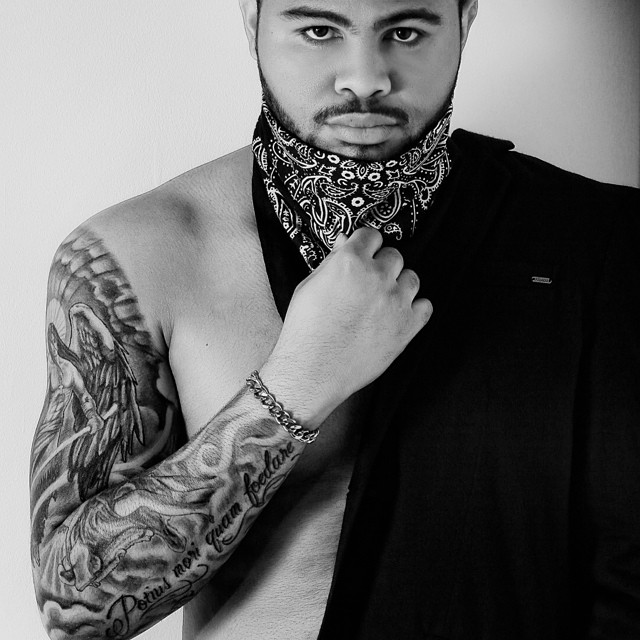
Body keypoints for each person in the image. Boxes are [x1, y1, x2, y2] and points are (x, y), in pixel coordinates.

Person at [29, 0, 640, 638]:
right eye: (319, 30)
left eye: (405, 31)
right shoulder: (139, 255)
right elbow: (76, 612)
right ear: (252, 22)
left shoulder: (595, 242)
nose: (365, 77)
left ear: (464, 21)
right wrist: (299, 383)